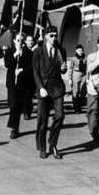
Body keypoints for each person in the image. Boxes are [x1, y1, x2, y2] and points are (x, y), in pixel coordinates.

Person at [32, 25, 68, 159]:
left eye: (55, 35)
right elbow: (35, 71)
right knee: (42, 119)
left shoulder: (61, 50)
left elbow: (62, 69)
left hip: (57, 88)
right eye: (51, 35)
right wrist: (40, 88)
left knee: (60, 115)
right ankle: (42, 147)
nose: (54, 38)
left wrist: (64, 69)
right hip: (43, 88)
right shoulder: (38, 51)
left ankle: (52, 143)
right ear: (46, 36)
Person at [5, 33, 33, 139]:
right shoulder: (9, 51)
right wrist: (14, 55)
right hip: (12, 81)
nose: (19, 42)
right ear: (14, 41)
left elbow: (30, 67)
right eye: (17, 40)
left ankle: (15, 128)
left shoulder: (28, 53)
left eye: (22, 40)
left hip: (22, 82)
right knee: (13, 103)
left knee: (17, 105)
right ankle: (13, 126)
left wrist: (22, 70)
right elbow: (7, 64)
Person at [67, 44, 87, 114]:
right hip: (76, 74)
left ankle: (80, 104)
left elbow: (87, 67)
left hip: (84, 75)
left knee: (84, 90)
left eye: (81, 50)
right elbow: (70, 69)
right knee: (76, 91)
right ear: (76, 51)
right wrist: (70, 79)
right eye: (79, 50)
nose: (80, 52)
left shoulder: (85, 58)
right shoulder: (73, 58)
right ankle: (76, 108)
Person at [22, 34, 37, 120]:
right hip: (24, 76)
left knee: (30, 95)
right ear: (25, 41)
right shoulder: (23, 50)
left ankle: (28, 111)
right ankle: (25, 111)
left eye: (32, 40)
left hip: (33, 76)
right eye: (28, 40)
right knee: (26, 95)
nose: (31, 42)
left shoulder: (36, 50)